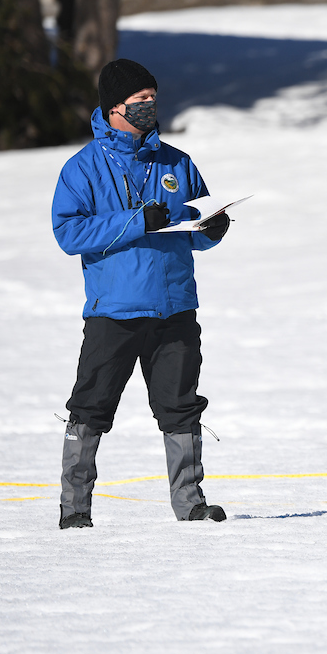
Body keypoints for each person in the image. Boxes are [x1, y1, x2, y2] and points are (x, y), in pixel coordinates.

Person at [52, 59, 231, 529]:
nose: (151, 107)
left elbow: (192, 225)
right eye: (141, 101)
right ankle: (75, 511)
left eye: (154, 98)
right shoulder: (81, 169)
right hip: (115, 311)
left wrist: (212, 229)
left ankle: (191, 504)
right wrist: (135, 221)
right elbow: (68, 234)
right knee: (91, 406)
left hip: (175, 306)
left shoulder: (177, 162)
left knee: (181, 405)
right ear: (114, 107)